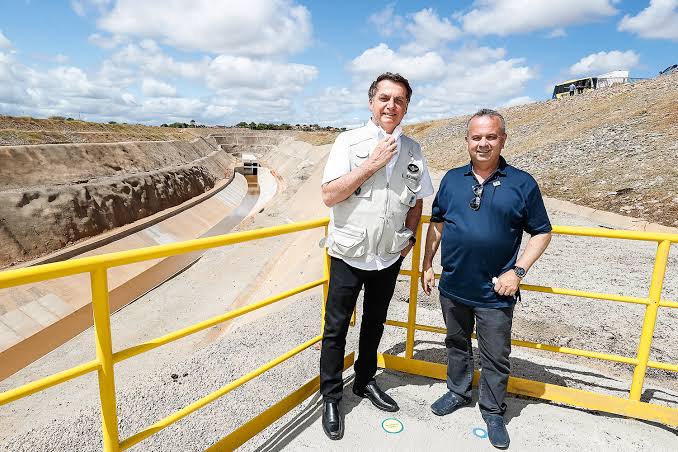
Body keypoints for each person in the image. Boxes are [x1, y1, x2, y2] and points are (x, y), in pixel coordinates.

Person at [421, 109, 552, 449]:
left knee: (496, 354)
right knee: (456, 344)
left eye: (490, 136)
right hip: (453, 287)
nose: (483, 143)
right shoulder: (451, 179)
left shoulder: (522, 183)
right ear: (467, 141)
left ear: (502, 139)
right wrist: (427, 264)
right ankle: (457, 391)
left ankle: (493, 410)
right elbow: (436, 225)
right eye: (476, 137)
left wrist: (518, 271)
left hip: (496, 291)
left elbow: (541, 232)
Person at [319, 72, 433, 440]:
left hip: (388, 255)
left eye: (399, 100)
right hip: (349, 253)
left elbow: (416, 199)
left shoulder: (414, 150)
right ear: (371, 103)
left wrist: (410, 236)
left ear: (406, 108)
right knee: (336, 328)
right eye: (384, 98)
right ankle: (332, 396)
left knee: (375, 323)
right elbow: (329, 195)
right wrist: (371, 164)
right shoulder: (348, 142)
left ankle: (364, 380)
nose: (391, 105)